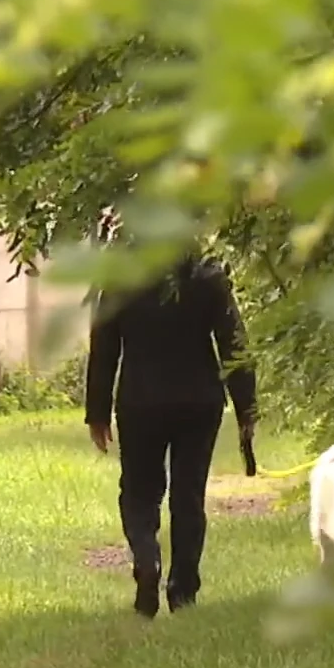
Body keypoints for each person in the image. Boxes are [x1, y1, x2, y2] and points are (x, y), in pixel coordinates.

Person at [84, 252, 258, 618]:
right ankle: (183, 592)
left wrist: (97, 411)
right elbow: (234, 342)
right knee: (188, 495)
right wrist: (246, 407)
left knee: (139, 490)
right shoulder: (206, 273)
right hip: (199, 400)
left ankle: (147, 559)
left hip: (139, 400)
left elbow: (104, 345)